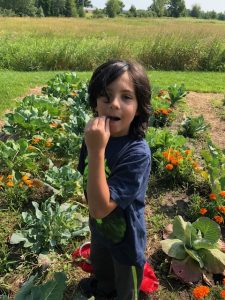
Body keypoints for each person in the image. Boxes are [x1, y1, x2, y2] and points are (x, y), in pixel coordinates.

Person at [77, 59, 151, 300]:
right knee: (101, 262)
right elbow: (87, 178)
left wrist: (97, 151)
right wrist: (94, 147)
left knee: (125, 280)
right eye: (106, 96)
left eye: (127, 97)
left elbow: (100, 208)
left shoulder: (137, 153)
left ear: (139, 107)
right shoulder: (93, 138)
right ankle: (104, 286)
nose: (114, 104)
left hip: (126, 241)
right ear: (95, 102)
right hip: (100, 231)